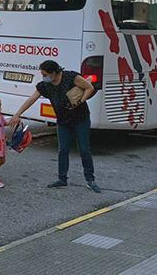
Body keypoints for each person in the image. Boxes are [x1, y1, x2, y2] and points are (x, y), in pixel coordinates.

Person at [10, 60, 100, 193]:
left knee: (84, 150)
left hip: (81, 119)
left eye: (45, 74)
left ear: (54, 72)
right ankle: (62, 179)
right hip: (63, 121)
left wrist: (80, 101)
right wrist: (17, 114)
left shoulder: (70, 77)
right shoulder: (45, 85)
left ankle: (90, 179)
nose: (43, 77)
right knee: (63, 149)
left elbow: (89, 87)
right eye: (42, 74)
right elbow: (31, 99)